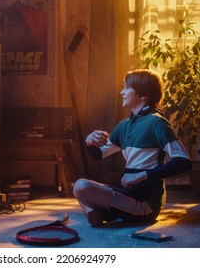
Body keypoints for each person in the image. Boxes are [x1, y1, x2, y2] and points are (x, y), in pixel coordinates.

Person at [73, 69, 192, 227]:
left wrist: (142, 175)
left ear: (143, 95)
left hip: (145, 203)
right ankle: (99, 213)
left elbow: (184, 162)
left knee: (82, 187)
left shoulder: (157, 122)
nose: (122, 92)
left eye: (127, 87)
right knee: (78, 186)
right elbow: (98, 155)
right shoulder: (124, 126)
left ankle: (99, 212)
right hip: (128, 194)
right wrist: (89, 142)